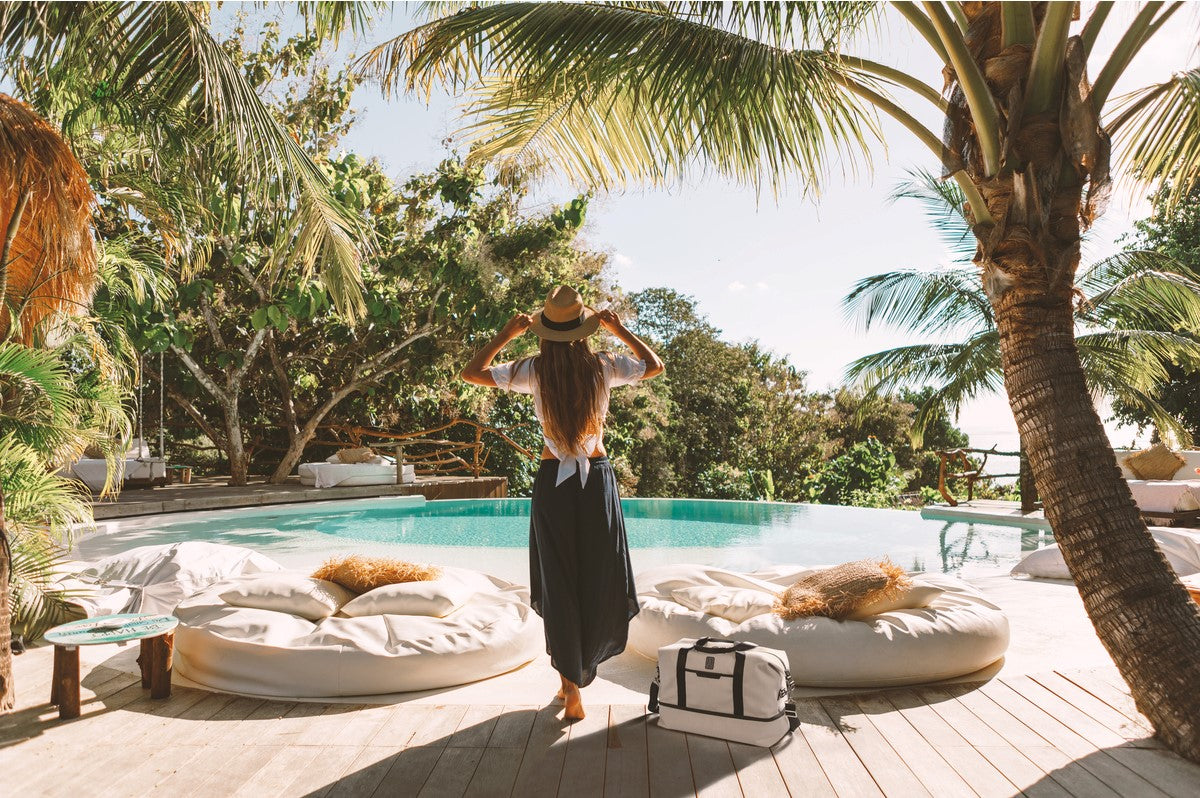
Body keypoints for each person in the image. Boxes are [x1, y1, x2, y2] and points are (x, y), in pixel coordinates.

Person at [462, 285, 664, 720]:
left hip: (553, 482)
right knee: (596, 575)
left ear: (544, 332)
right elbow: (654, 366)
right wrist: (621, 328)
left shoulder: (533, 369)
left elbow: (472, 373)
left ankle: (570, 688)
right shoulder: (603, 366)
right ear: (585, 330)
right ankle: (574, 680)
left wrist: (504, 334)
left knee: (559, 578)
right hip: (597, 481)